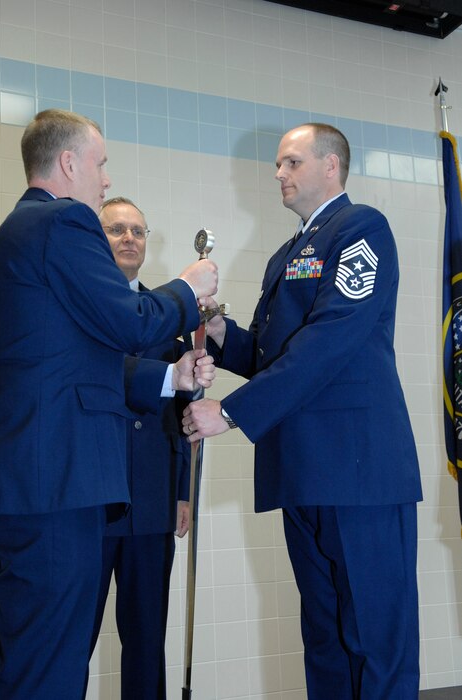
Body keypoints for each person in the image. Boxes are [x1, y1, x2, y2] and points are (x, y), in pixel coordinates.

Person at [182, 123, 422, 699]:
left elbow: (332, 340)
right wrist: (219, 332)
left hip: (358, 469)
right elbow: (274, 354)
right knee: (325, 638)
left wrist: (232, 413)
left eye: (291, 162)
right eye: (278, 164)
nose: (278, 174)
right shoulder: (284, 255)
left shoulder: (362, 228)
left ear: (330, 166)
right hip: (303, 470)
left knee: (375, 638)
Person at [0, 108, 217, 700]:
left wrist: (168, 375)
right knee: (50, 664)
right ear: (69, 163)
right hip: (57, 482)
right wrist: (189, 289)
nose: (106, 179)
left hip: (35, 480)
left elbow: (80, 356)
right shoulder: (64, 221)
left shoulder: (20, 232)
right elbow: (129, 322)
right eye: (101, 164)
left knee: (31, 655)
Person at [86, 197, 191, 700]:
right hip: (90, 500)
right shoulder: (78, 303)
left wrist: (183, 490)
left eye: (139, 231)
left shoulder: (168, 314)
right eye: (116, 229)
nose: (130, 238)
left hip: (152, 500)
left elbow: (184, 409)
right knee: (71, 640)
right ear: (95, 238)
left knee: (147, 641)